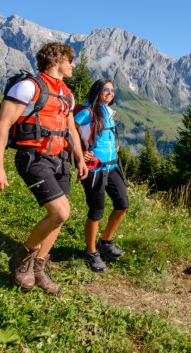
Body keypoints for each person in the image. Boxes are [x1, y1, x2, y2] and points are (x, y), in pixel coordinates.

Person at [0, 42, 88, 294]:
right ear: (56, 59)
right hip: (33, 158)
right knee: (60, 212)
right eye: (69, 59)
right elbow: (3, 124)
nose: (73, 64)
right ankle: (22, 257)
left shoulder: (67, 94)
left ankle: (38, 267)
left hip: (59, 159)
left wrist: (79, 159)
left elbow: (70, 130)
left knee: (59, 217)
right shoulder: (28, 87)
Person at [74, 79, 128, 273]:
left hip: (113, 166)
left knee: (122, 204)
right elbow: (67, 130)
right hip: (95, 169)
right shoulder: (87, 112)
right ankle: (91, 252)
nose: (110, 92)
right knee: (96, 211)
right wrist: (78, 152)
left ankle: (105, 242)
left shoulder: (108, 112)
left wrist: (114, 148)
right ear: (97, 91)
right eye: (106, 89)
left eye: (112, 90)